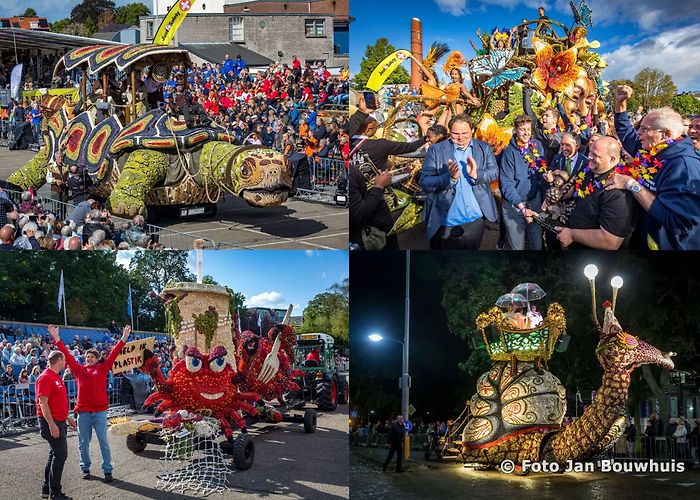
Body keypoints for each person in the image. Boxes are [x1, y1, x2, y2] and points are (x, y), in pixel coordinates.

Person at [609, 85, 700, 249]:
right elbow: (626, 131)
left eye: (645, 129)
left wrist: (631, 184)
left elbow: (677, 223)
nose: (639, 133)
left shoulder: (684, 166)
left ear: (666, 135)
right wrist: (620, 103)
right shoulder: (650, 150)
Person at [48, 324, 131, 482]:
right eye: (87, 357)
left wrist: (124, 339)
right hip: (84, 414)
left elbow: (114, 354)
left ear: (98, 358)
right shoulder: (78, 370)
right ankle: (85, 467)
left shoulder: (102, 368)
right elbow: (67, 354)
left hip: (100, 413)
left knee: (104, 443)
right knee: (83, 443)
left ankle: (107, 470)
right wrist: (57, 339)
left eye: (92, 357)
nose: (89, 358)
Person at [420, 114, 499, 249]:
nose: (461, 137)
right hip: (445, 220)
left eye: (465, 133)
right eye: (455, 133)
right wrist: (449, 178)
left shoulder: (484, 147)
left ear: (472, 131)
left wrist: (476, 174)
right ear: (449, 132)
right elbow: (425, 183)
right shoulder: (436, 150)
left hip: (475, 219)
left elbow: (494, 172)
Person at [555, 137, 637, 249]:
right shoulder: (589, 168)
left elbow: (611, 241)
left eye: (596, 155)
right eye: (590, 151)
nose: (589, 157)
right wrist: (555, 196)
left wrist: (572, 235)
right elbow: (574, 187)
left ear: (612, 159)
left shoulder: (618, 191)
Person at [498, 114, 547, 250]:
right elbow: (507, 183)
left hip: (534, 201)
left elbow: (541, 172)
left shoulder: (537, 145)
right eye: (522, 129)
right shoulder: (509, 152)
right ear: (515, 130)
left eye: (528, 129)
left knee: (536, 244)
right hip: (515, 206)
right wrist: (522, 207)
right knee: (518, 246)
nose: (526, 133)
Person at [36, 350, 77, 500]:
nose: (66, 361)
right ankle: (55, 493)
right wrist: (52, 425)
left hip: (59, 421)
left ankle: (47, 489)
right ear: (59, 359)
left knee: (54, 455)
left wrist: (67, 418)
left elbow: (56, 403)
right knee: (60, 455)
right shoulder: (45, 377)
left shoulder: (56, 377)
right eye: (64, 358)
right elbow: (43, 403)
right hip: (51, 423)